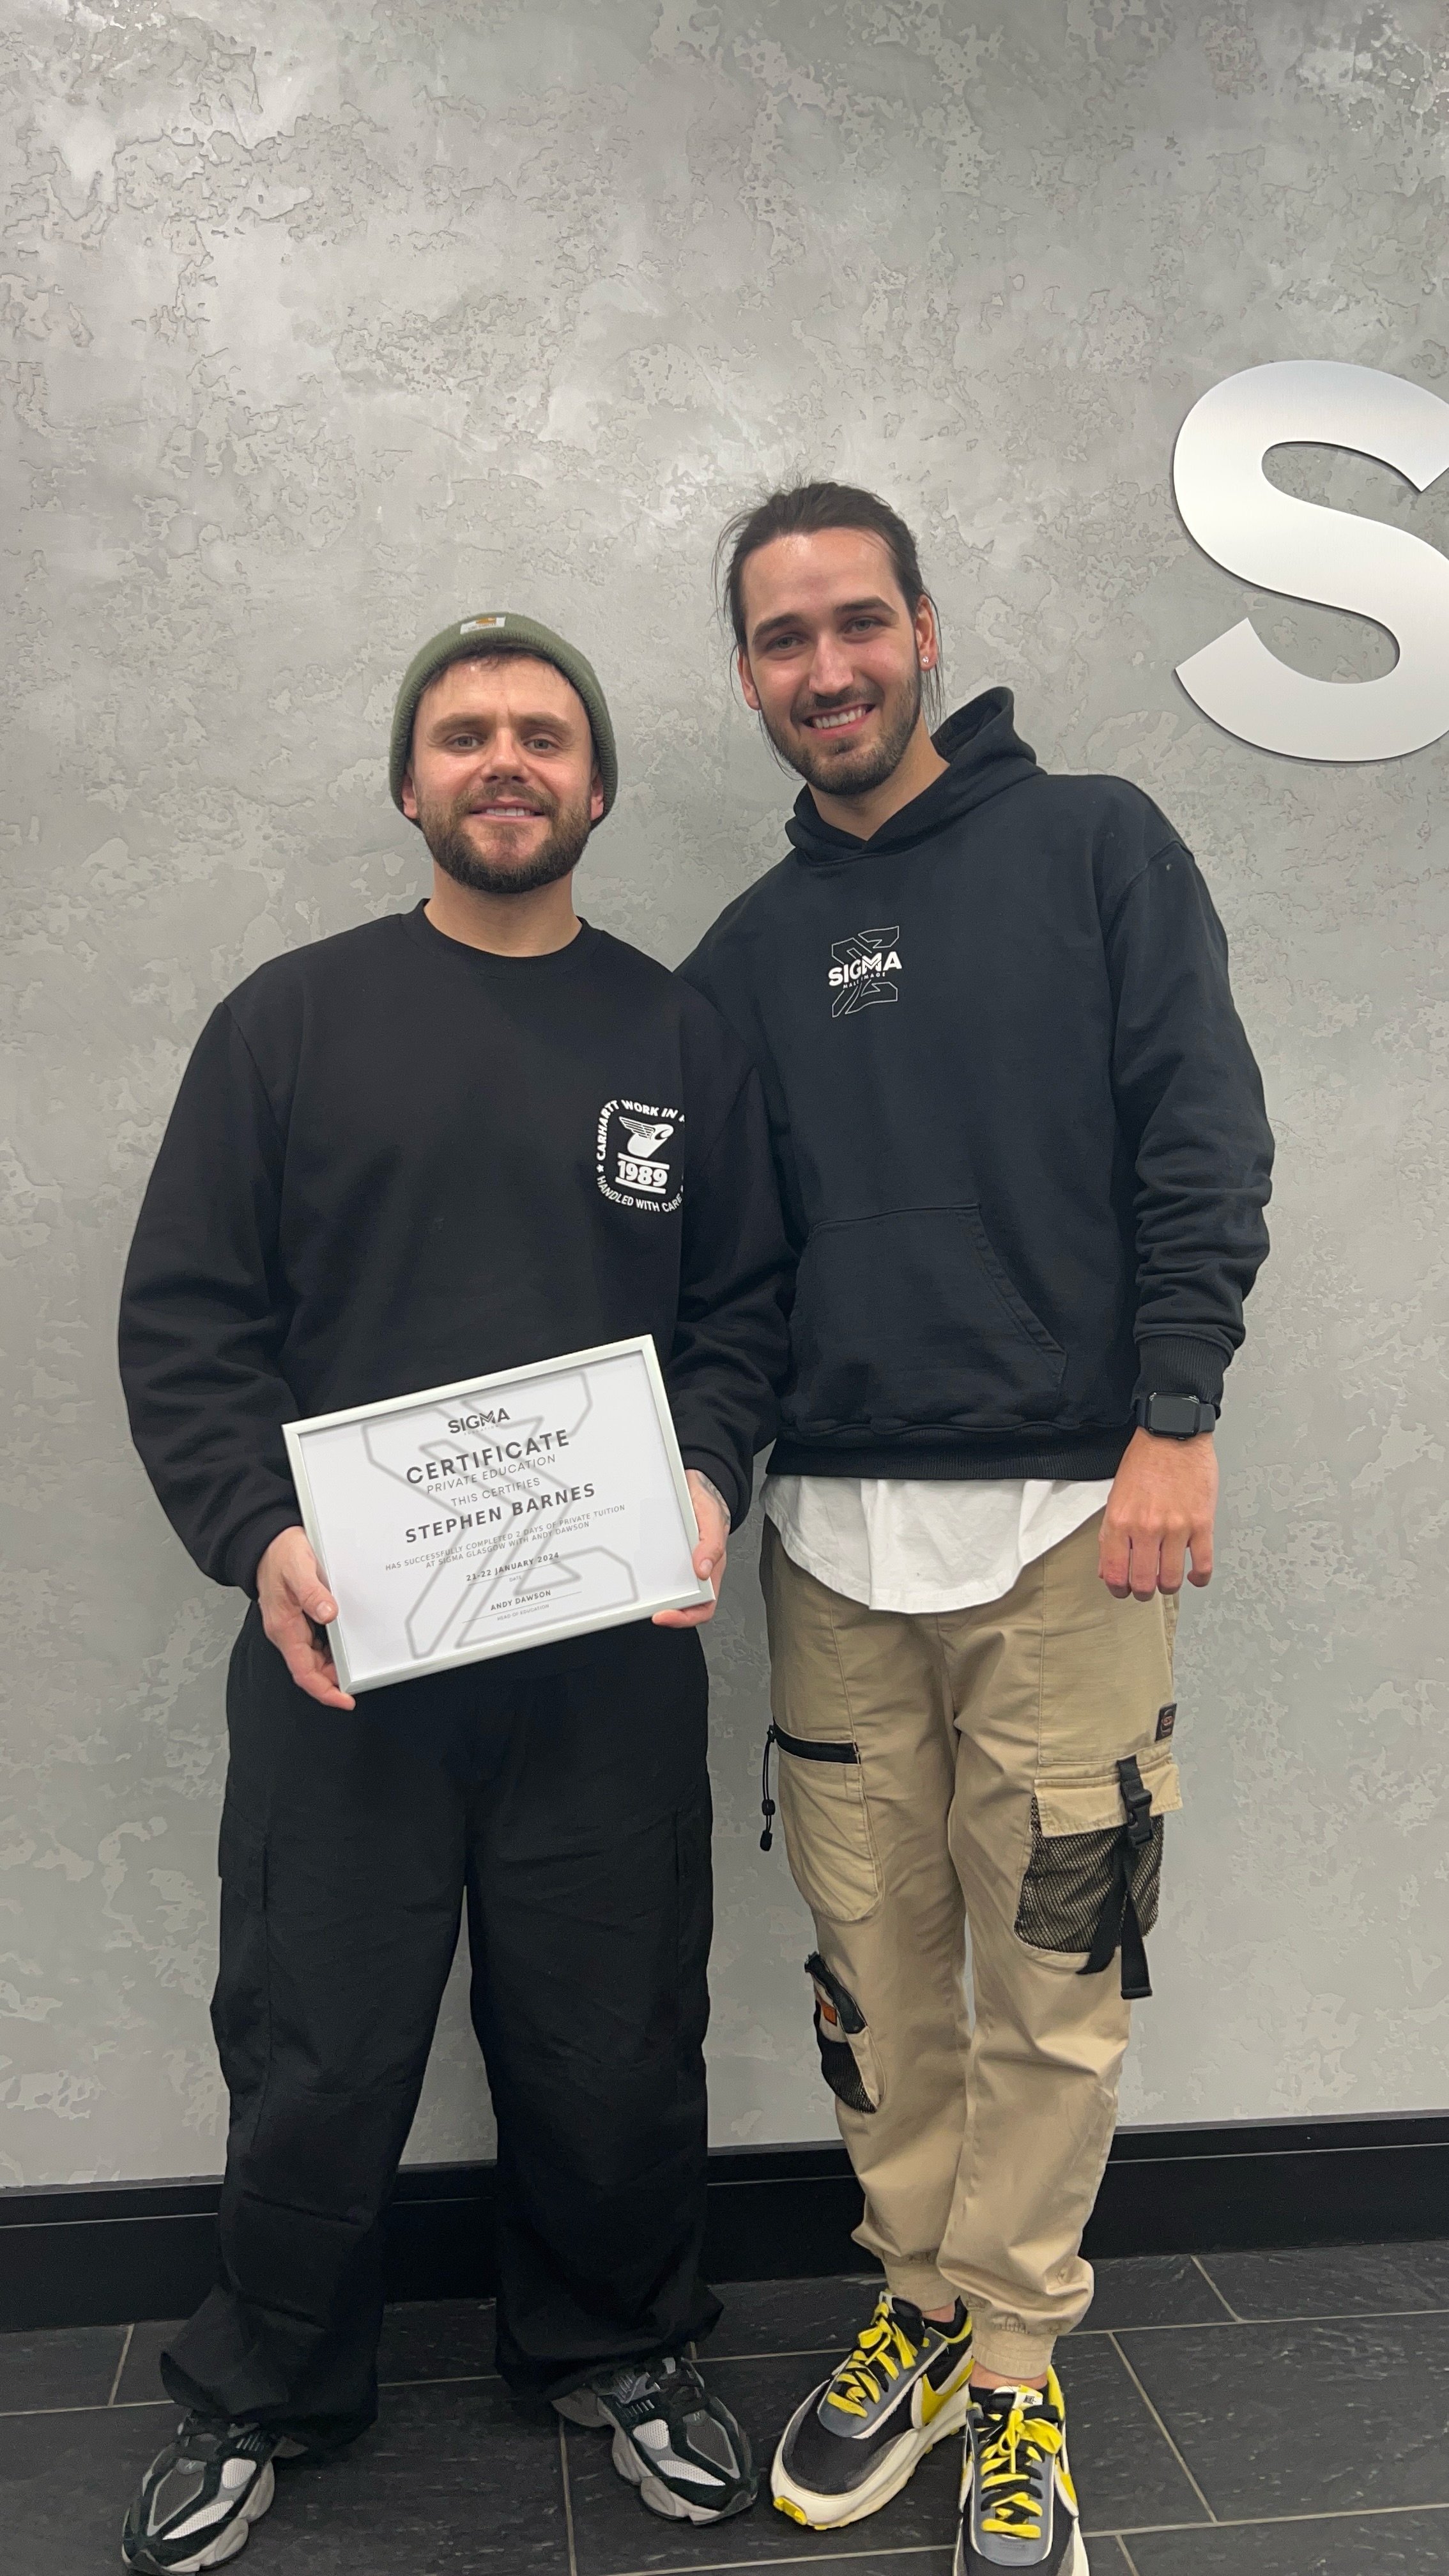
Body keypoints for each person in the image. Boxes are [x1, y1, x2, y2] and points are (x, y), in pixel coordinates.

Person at [117, 611, 790, 2572]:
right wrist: (260, 1531)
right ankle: (267, 2384)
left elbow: (745, 1312)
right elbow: (190, 1322)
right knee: (315, 2036)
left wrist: (702, 1474)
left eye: (544, 734)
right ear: (411, 784)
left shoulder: (679, 1036)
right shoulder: (289, 1024)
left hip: (603, 1656)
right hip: (348, 1656)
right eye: (467, 733)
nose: (507, 759)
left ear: (598, 786)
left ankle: (620, 2347)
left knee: (607, 2030)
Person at [680, 485, 1273, 2576]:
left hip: (1067, 1538)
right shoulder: (736, 963)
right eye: (780, 639)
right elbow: (710, 1283)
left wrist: (1174, 1417)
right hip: (833, 1549)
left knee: (1051, 1976)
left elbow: (1199, 1134)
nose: (824, 668)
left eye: (856, 622)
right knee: (876, 1979)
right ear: (745, 674)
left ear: (924, 628)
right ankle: (915, 2309)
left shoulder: (1096, 844)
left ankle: (1013, 2362)